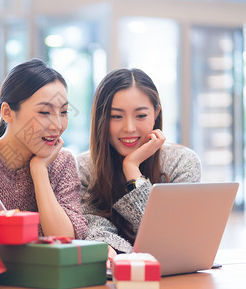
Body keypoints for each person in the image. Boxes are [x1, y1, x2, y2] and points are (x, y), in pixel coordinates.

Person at [0, 58, 87, 240]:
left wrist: (39, 171)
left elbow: (66, 238)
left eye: (63, 112)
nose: (57, 125)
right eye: (44, 112)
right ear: (7, 113)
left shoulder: (62, 161)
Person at [78, 68, 201, 259]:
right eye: (116, 116)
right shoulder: (84, 168)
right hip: (113, 276)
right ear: (101, 118)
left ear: (156, 113)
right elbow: (97, 233)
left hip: (174, 275)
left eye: (141, 115)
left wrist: (132, 169)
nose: (129, 128)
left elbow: (170, 239)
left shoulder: (181, 162)